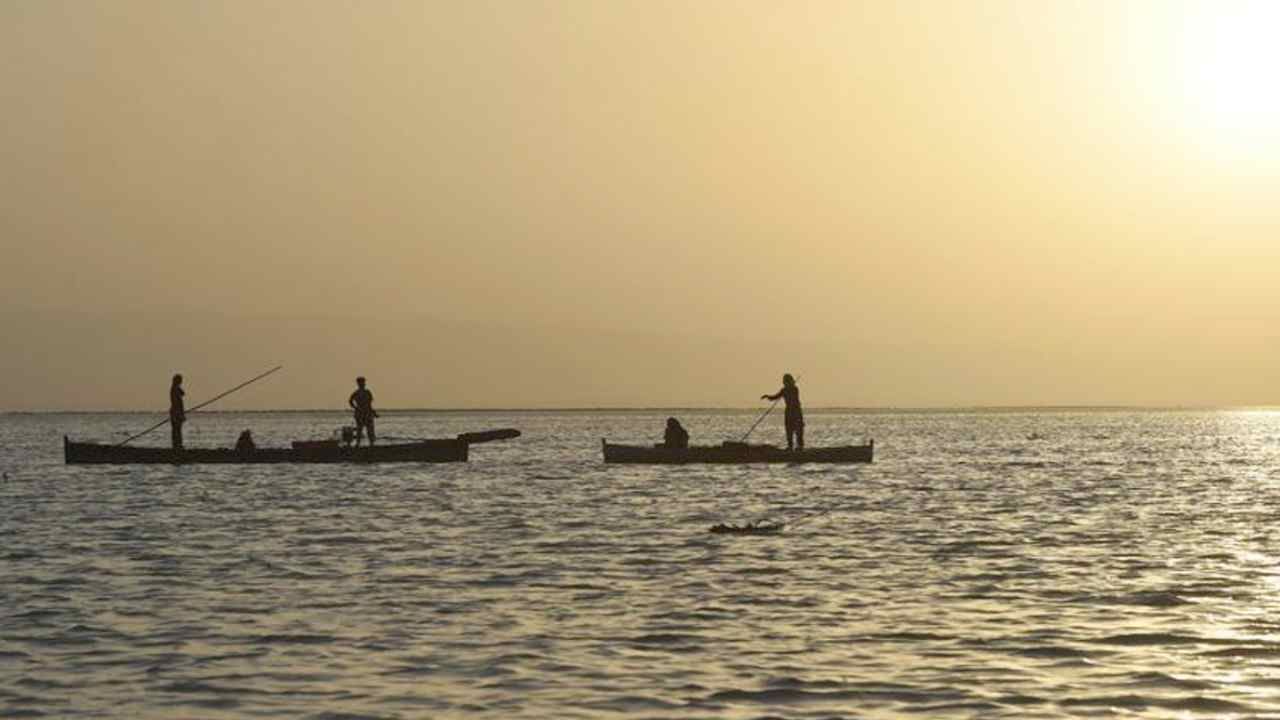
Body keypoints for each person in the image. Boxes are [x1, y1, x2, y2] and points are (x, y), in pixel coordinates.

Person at [761, 373, 804, 451]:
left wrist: (788, 388)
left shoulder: (795, 389)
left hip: (796, 411)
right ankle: (790, 446)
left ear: (791, 381)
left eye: (787, 381)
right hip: (788, 412)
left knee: (798, 429)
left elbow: (793, 396)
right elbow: (775, 397)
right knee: (789, 429)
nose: (785, 383)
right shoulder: (784, 390)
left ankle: (800, 446)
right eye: (785, 382)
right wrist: (767, 396)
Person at [348, 376, 378, 446]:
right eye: (361, 382)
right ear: (358, 383)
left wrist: (374, 413)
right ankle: (358, 444)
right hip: (360, 414)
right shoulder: (356, 393)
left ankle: (371, 444)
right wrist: (356, 408)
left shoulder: (367, 392)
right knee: (359, 429)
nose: (363, 384)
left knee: (370, 429)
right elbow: (350, 401)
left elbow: (369, 404)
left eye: (363, 382)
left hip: (367, 413)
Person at [169, 373, 186, 450]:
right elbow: (176, 403)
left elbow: (183, 393)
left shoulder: (176, 388)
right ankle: (176, 445)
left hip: (177, 412)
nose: (181, 382)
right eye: (180, 380)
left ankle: (178, 445)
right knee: (176, 429)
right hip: (176, 412)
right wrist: (178, 414)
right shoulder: (174, 389)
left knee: (178, 429)